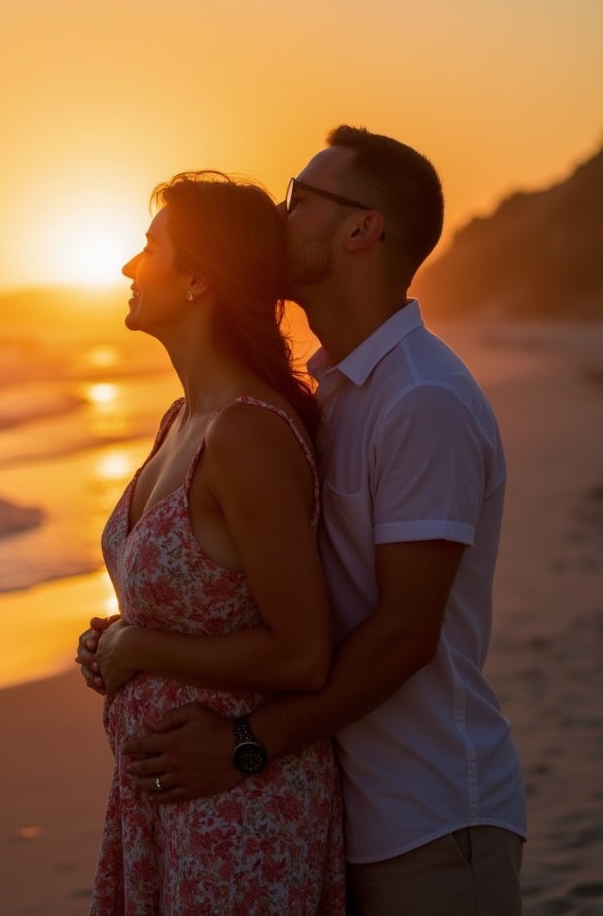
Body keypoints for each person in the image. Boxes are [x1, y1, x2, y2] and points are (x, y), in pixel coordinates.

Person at [79, 128, 527, 915]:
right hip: (333, 801)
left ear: (361, 230)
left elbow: (404, 634)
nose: (278, 217)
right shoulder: (332, 397)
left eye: (300, 199)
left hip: (427, 818)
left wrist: (247, 745)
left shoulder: (420, 400)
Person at [83, 172, 345, 914]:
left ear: (199, 278)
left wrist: (140, 650)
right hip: (166, 801)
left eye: (150, 248)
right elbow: (197, 605)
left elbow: (303, 653)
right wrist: (112, 642)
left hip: (241, 807)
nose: (130, 268)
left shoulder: (246, 434)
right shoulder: (179, 421)